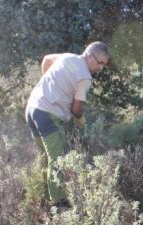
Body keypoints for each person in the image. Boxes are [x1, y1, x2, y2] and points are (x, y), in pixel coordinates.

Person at [25, 41, 109, 207]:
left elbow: (47, 60)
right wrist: (82, 124)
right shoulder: (85, 78)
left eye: (104, 65)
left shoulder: (67, 57)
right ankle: (59, 204)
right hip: (48, 116)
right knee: (58, 160)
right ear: (89, 55)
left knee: (45, 157)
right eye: (100, 63)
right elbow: (76, 110)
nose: (100, 68)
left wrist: (50, 85)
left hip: (32, 109)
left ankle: (43, 198)